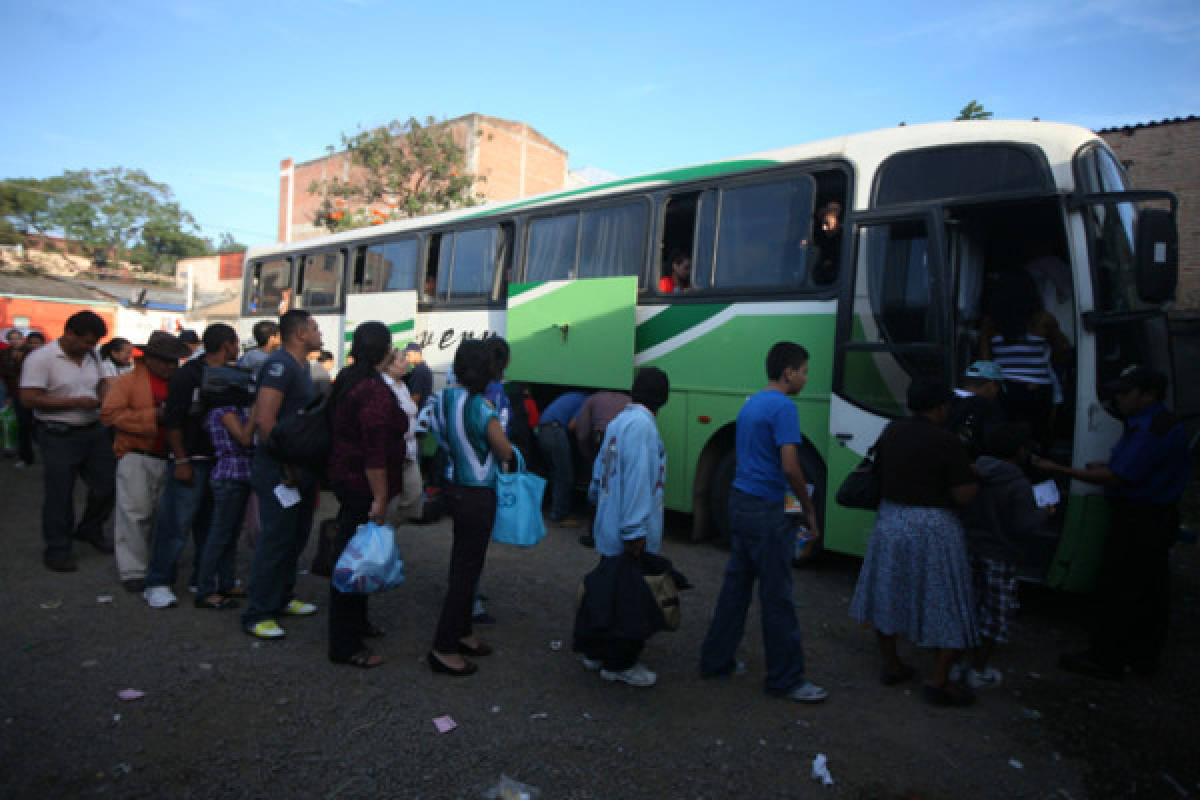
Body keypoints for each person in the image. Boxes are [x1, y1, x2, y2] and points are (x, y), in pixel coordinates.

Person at [1034, 366, 1191, 680]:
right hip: (1153, 516)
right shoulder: (1152, 422)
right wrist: (1106, 464)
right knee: (1149, 590)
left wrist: (1059, 470)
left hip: (1141, 518)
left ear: (1148, 394)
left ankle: (1108, 659)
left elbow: (1118, 476)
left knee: (1121, 589)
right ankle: (1141, 658)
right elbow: (1133, 465)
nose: (1118, 398)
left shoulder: (1150, 429)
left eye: (1125, 392)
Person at [698, 342, 827, 703]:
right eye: (803, 371)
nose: (805, 377)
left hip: (740, 503)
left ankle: (716, 660)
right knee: (777, 596)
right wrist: (808, 508)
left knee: (735, 589)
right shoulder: (784, 407)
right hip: (767, 510)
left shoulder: (752, 402)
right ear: (789, 372)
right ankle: (786, 679)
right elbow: (789, 466)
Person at [848, 377, 980, 707]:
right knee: (947, 601)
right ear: (938, 407)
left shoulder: (891, 431)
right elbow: (963, 495)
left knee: (887, 592)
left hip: (891, 522)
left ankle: (892, 665)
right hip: (934, 528)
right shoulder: (948, 442)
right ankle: (938, 680)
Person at [424, 338, 515, 676]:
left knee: (462, 564)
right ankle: (444, 647)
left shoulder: (443, 397)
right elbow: (505, 451)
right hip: (478, 494)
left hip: (454, 486)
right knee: (467, 572)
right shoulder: (482, 408)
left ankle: (463, 633)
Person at [577, 367, 671, 687]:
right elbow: (637, 481)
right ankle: (619, 663)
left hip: (608, 522)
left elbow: (599, 472)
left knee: (605, 594)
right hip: (627, 531)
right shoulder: (643, 426)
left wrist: (598, 504)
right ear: (663, 399)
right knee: (628, 603)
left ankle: (594, 651)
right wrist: (635, 531)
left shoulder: (618, 422)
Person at [140, 324, 242, 610]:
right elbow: (172, 421)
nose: (237, 349)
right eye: (235, 343)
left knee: (210, 526)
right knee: (175, 524)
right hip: (191, 460)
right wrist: (181, 459)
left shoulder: (234, 376)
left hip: (220, 463)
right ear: (227, 345)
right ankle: (158, 582)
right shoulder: (187, 376)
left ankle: (203, 578)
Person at [327, 322, 410, 668]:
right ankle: (345, 644)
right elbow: (374, 450)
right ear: (385, 351)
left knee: (355, 555)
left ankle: (356, 624)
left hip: (348, 479)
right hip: (363, 485)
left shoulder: (349, 377)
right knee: (352, 560)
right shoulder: (373, 390)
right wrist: (379, 497)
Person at [241, 309, 325, 639]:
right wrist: (285, 464)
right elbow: (265, 420)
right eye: (315, 328)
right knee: (275, 539)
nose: (320, 333)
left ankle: (282, 598)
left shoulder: (302, 367)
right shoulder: (279, 366)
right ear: (300, 334)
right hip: (280, 468)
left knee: (295, 536)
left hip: (300, 467)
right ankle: (257, 612)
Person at [18, 312, 115, 572]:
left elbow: (103, 383)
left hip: (93, 430)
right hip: (57, 433)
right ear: (69, 333)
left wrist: (104, 397)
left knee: (108, 484)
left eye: (93, 343)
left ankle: (89, 528)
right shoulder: (41, 359)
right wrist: (73, 402)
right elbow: (28, 398)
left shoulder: (93, 356)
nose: (89, 348)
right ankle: (58, 549)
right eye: (85, 342)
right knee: (60, 494)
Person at [959, 423, 1053, 689]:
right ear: (1021, 452)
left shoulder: (974, 471)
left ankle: (955, 663)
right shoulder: (1017, 483)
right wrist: (1046, 512)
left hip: (970, 548)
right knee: (993, 612)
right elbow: (1024, 525)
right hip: (1000, 555)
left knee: (968, 604)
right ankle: (978, 669)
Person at [100, 331, 191, 593]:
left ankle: (154, 562)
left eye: (173, 361)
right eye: (164, 360)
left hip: (171, 456)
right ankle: (133, 570)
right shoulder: (127, 381)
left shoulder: (178, 381)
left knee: (164, 515)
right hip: (137, 454)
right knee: (135, 513)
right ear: (149, 358)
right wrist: (155, 417)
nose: (169, 366)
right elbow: (109, 414)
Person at [979, 270, 1070, 451]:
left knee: (1008, 444)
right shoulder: (1044, 320)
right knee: (1039, 441)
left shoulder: (991, 322)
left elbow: (986, 360)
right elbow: (1062, 351)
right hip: (1037, 390)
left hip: (1006, 391)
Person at [193, 366, 257, 610]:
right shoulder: (224, 411)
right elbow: (243, 438)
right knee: (220, 535)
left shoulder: (225, 409)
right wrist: (254, 416)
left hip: (236, 476)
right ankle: (206, 589)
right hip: (229, 476)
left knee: (229, 535)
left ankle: (226, 583)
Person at [574, 389, 632, 546]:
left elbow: (582, 432)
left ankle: (594, 534)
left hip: (603, 440)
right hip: (626, 442)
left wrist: (587, 455)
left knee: (599, 487)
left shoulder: (593, 399)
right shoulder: (630, 401)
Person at [536, 391, 587, 525]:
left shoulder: (572, 396)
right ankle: (559, 516)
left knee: (555, 473)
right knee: (565, 476)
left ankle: (553, 508)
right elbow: (572, 425)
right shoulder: (585, 401)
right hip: (555, 432)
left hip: (542, 430)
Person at [947, 360, 1007, 459]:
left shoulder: (944, 402)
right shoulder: (988, 407)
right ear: (991, 385)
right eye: (998, 387)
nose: (996, 393)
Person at [810, 201, 843, 286]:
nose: (823, 228)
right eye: (822, 223)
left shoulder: (845, 241)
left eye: (827, 224)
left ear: (838, 222)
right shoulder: (823, 239)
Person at [402, 341, 433, 408]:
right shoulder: (423, 367)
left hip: (419, 411)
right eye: (405, 355)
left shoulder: (418, 371)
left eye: (408, 354)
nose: (406, 357)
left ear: (417, 353)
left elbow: (415, 397)